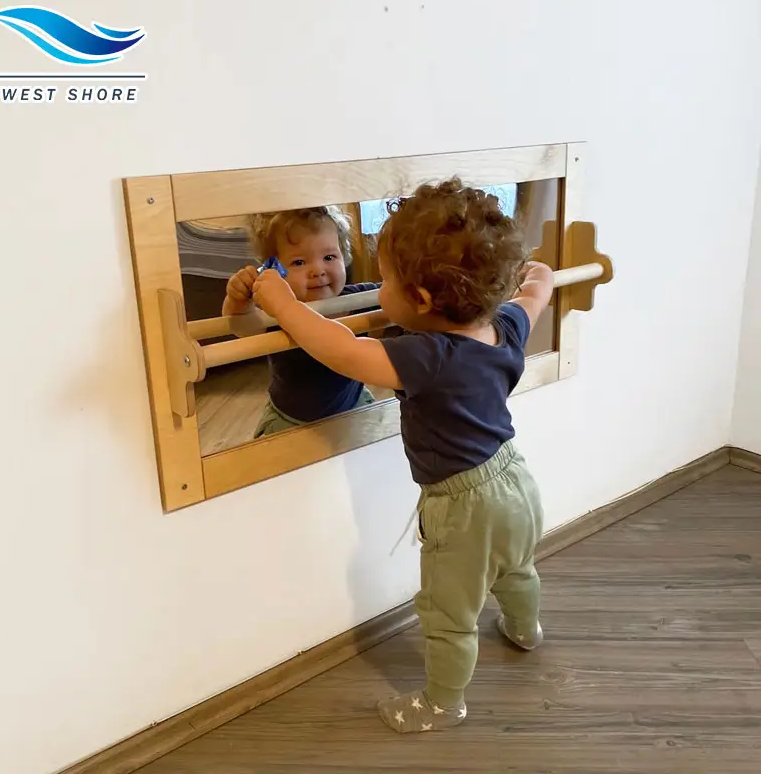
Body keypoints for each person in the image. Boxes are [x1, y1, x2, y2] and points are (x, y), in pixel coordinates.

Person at [251, 178, 554, 733]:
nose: (378, 286)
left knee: (447, 612)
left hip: (464, 507)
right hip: (516, 479)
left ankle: (444, 701)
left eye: (385, 279)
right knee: (516, 568)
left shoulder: (425, 357)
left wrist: (282, 304)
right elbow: (535, 295)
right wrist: (541, 272)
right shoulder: (504, 326)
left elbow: (339, 349)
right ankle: (525, 629)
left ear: (417, 301)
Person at [223, 206, 381, 437]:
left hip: (353, 406)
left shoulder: (357, 298)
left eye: (329, 257)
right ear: (273, 269)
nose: (318, 270)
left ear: (344, 256)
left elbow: (394, 298)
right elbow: (241, 326)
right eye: (299, 262)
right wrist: (238, 302)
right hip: (292, 421)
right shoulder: (278, 309)